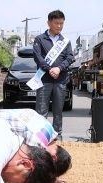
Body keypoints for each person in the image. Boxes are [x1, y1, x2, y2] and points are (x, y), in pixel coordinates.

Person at [32, 9, 75, 139]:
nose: (59, 26)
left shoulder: (65, 41)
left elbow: (70, 57)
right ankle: (42, 137)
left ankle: (57, 135)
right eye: (56, 23)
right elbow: (37, 57)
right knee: (41, 110)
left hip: (60, 80)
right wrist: (49, 69)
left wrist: (59, 69)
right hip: (44, 79)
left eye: (62, 23)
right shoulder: (39, 39)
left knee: (58, 111)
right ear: (49, 23)